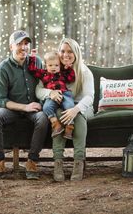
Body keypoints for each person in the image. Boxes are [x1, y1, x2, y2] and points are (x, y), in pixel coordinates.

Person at [0, 30, 49, 180]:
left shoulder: (37, 62)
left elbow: (47, 82)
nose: (23, 47)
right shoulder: (3, 68)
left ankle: (32, 162)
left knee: (43, 118)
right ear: (11, 47)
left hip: (34, 109)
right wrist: (24, 107)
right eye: (19, 44)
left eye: (26, 43)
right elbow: (1, 100)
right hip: (12, 109)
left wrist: (41, 103)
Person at [36, 38, 94, 182]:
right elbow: (38, 90)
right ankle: (58, 163)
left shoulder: (84, 71)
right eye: (62, 51)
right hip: (62, 106)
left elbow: (89, 97)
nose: (65, 55)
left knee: (78, 118)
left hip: (83, 106)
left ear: (76, 53)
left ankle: (78, 162)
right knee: (58, 115)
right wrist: (51, 93)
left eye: (70, 51)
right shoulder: (53, 67)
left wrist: (76, 109)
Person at [28, 51, 75, 139]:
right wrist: (32, 57)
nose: (53, 68)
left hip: (64, 94)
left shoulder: (62, 73)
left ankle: (70, 126)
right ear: (45, 65)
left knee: (69, 106)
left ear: (60, 65)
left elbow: (71, 78)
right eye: (50, 65)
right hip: (51, 96)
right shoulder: (44, 74)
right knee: (46, 107)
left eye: (56, 65)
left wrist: (69, 68)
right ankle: (56, 124)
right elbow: (32, 70)